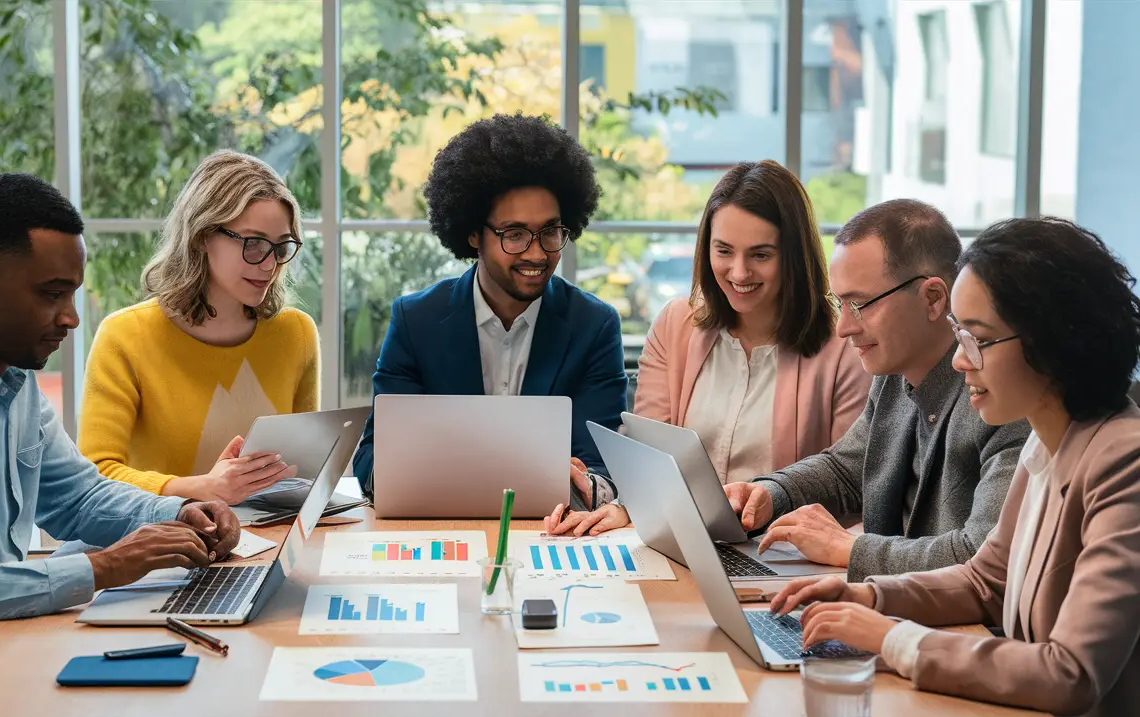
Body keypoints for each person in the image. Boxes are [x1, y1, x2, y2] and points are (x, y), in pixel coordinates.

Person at [0, 174, 240, 717]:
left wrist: (181, 514)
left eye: (72, 294)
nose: (71, 317)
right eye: (51, 294)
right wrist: (104, 568)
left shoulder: (12, 374)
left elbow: (78, 498)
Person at [769, 217, 1140, 717]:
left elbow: (1070, 673)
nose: (960, 361)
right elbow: (984, 581)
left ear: (1053, 342)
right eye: (959, 335)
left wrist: (895, 639)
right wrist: (868, 596)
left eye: (978, 341)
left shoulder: (1124, 461)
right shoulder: (1049, 443)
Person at [544, 160, 871, 536]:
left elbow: (848, 483)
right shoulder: (675, 324)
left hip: (782, 555)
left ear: (794, 256)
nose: (739, 272)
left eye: (761, 255)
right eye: (724, 251)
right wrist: (624, 505)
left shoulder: (845, 345)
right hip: (679, 538)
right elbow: (648, 457)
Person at [725, 199, 1029, 580]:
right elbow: (847, 468)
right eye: (840, 304)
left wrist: (850, 549)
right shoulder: (894, 372)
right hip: (898, 611)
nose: (843, 328)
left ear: (934, 298)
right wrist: (770, 494)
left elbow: (982, 555)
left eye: (861, 304)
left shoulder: (1006, 394)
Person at [351, 113, 627, 510]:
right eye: (514, 234)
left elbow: (603, 464)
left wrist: (587, 483)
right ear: (473, 234)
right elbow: (373, 456)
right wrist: (409, 476)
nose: (537, 253)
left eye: (550, 232)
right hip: (439, 527)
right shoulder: (417, 321)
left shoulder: (594, 326)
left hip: (552, 530)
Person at [79, 150, 319, 505]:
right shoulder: (124, 337)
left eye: (281, 247)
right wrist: (200, 489)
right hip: (163, 543)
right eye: (253, 244)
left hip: (269, 539)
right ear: (203, 235)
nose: (269, 264)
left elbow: (307, 470)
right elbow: (96, 476)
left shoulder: (296, 333)